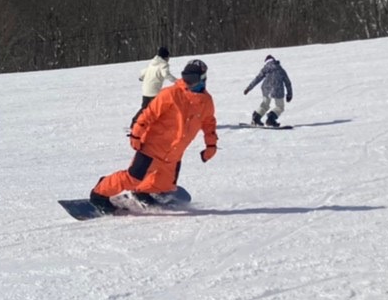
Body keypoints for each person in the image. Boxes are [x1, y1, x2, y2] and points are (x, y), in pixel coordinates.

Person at [91, 58, 217, 212]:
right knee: (133, 177)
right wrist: (136, 134)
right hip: (152, 147)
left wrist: (211, 145)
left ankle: (142, 192)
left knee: (165, 185)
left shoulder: (206, 101)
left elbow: (209, 123)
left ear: (203, 79)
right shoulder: (171, 94)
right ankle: (99, 192)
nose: (188, 82)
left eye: (192, 79)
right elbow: (148, 114)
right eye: (185, 78)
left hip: (174, 153)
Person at [243, 55, 293, 126]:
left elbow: (257, 79)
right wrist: (289, 94)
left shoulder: (265, 68)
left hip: (266, 89)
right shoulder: (280, 69)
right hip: (277, 89)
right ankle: (271, 119)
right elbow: (288, 82)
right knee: (279, 106)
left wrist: (248, 88)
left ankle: (256, 117)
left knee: (265, 104)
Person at [132, 46, 175, 127]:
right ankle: (157, 125)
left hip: (146, 89)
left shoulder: (153, 63)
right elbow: (165, 74)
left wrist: (141, 77)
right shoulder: (163, 64)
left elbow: (144, 71)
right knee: (157, 108)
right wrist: (177, 82)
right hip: (154, 91)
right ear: (166, 57)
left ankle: (135, 122)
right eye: (168, 56)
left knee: (145, 108)